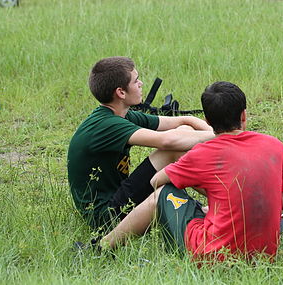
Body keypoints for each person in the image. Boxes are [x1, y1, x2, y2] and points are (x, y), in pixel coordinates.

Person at [91, 81, 283, 265]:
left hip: (212, 256)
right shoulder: (276, 146)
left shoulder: (203, 152)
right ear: (244, 115)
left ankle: (102, 246)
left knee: (162, 194)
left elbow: (155, 181)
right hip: (262, 256)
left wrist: (192, 180)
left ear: (207, 121)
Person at [68, 57, 214, 234]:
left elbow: (184, 120)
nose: (141, 83)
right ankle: (229, 200)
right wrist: (228, 137)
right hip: (107, 217)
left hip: (121, 198)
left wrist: (221, 135)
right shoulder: (107, 124)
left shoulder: (121, 114)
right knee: (173, 150)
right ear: (121, 92)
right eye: (136, 81)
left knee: (184, 130)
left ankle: (221, 201)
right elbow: (167, 141)